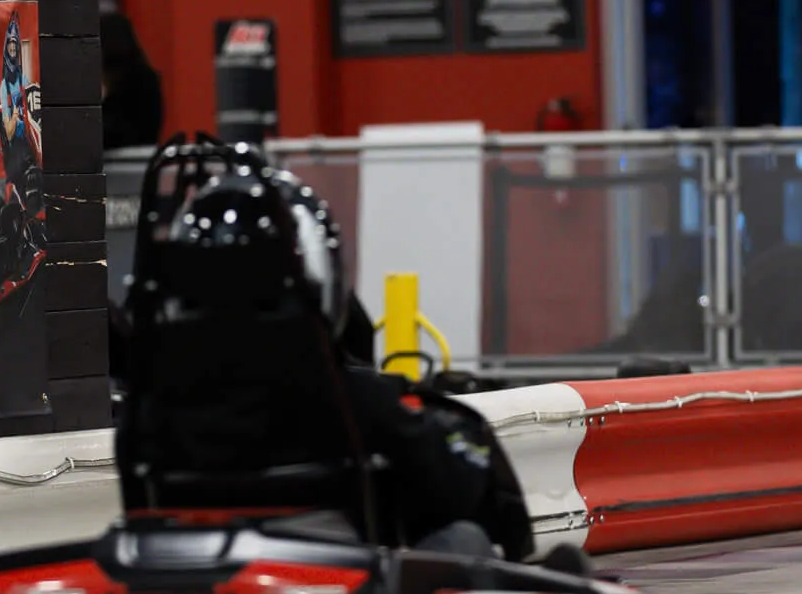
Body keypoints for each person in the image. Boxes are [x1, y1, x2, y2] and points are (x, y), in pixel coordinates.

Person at [117, 143, 533, 559]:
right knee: (467, 540)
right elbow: (467, 497)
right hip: (330, 589)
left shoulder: (147, 416)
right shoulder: (358, 402)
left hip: (183, 582)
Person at [100, 10, 163, 150]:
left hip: (126, 156)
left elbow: (118, 131)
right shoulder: (146, 76)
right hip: (142, 155)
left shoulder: (132, 81)